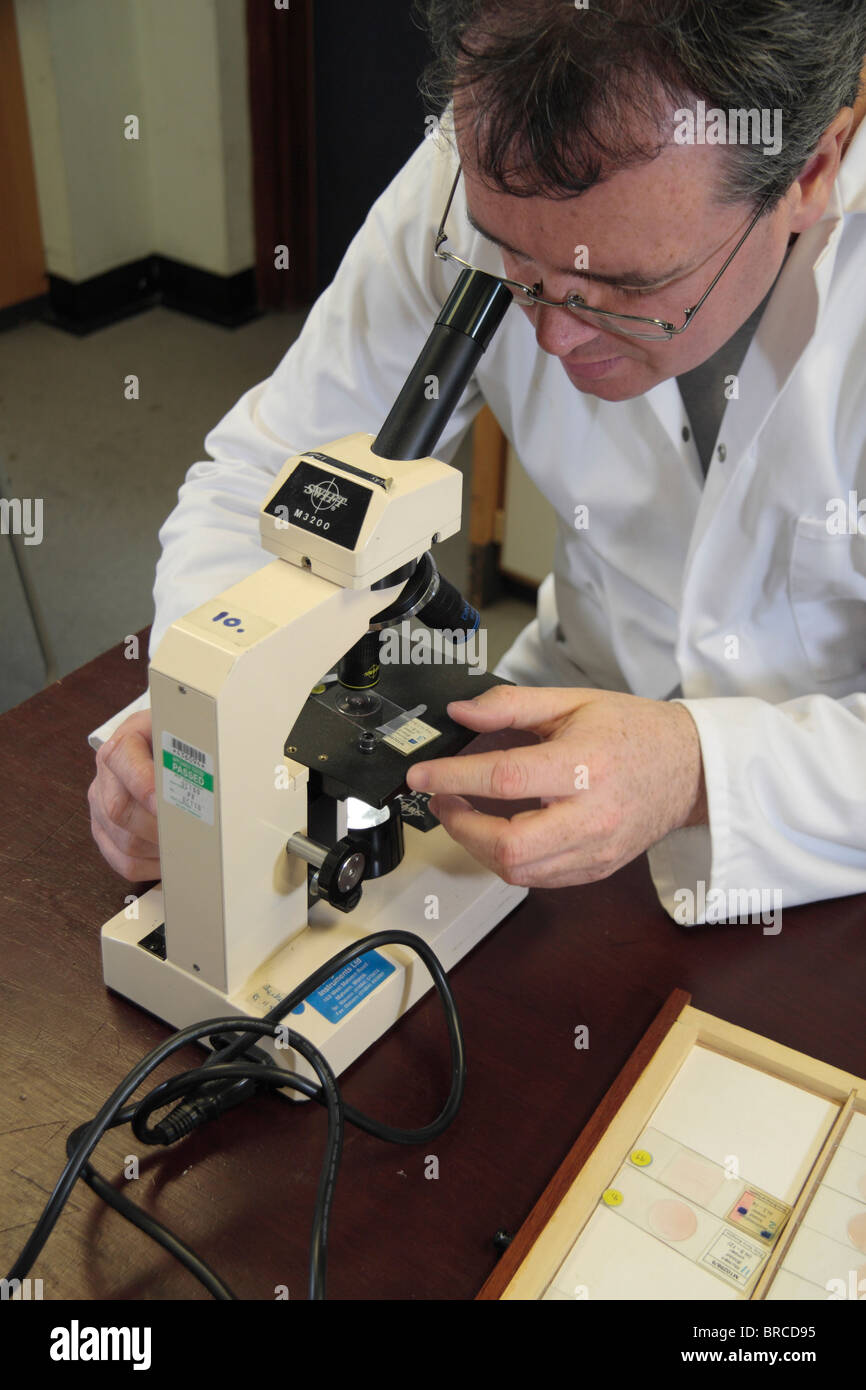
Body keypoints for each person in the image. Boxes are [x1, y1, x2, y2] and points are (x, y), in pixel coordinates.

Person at [89, 0, 866, 924]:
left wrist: (699, 770)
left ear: (810, 171)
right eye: (515, 263)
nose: (556, 337)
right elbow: (265, 477)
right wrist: (202, 713)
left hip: (830, 851)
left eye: (626, 286)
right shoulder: (478, 174)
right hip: (552, 743)